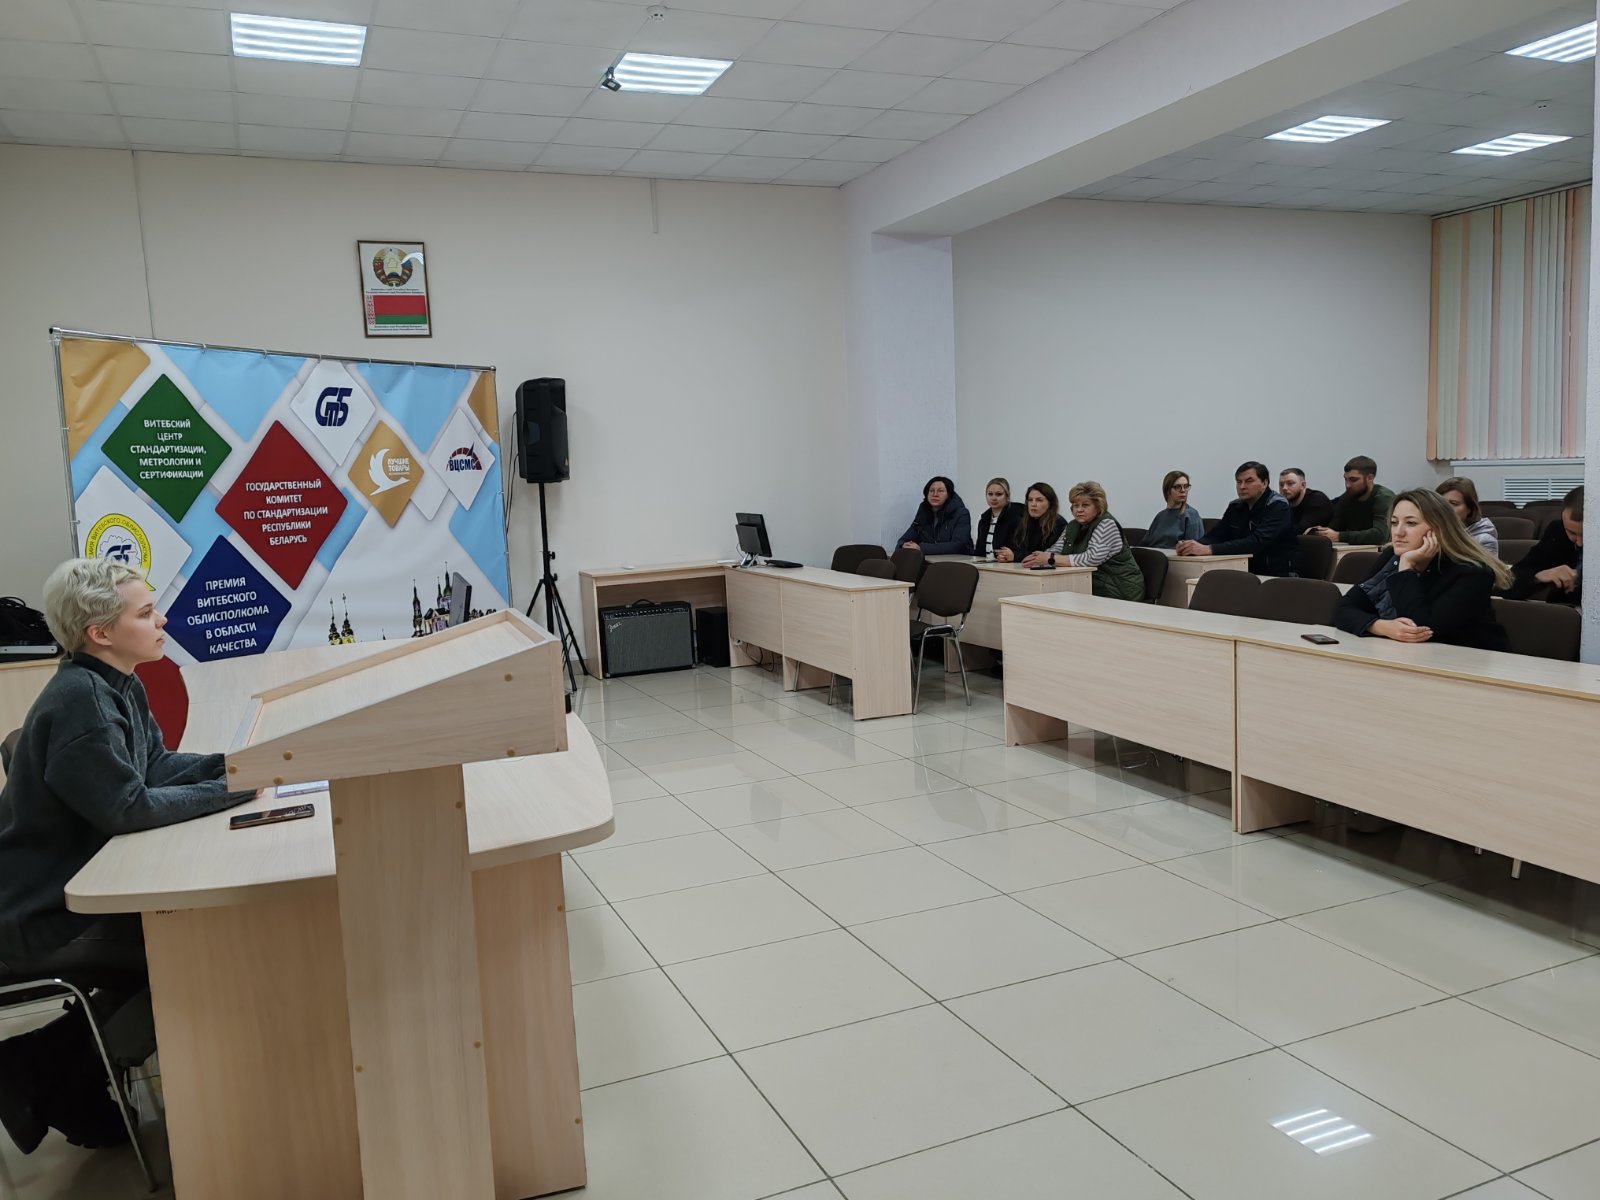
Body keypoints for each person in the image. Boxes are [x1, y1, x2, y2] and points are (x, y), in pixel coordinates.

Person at [0, 559, 254, 1152]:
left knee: (191, 946)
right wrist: (235, 789)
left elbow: (154, 767)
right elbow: (129, 807)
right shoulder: (82, 702)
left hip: (73, 895)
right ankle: (50, 1073)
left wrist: (237, 765)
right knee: (197, 957)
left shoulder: (115, 681)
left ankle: (45, 1070)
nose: (161, 620)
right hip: (41, 917)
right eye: (146, 613)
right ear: (101, 633)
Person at [1334, 489, 1509, 650]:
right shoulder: (1391, 556)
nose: (1398, 532)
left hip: (1465, 661)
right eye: (1394, 523)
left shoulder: (1473, 572)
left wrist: (1406, 569)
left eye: (1411, 523)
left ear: (1439, 528)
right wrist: (1382, 627)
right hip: (1409, 655)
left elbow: (1421, 629)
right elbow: (1343, 609)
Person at [1176, 461, 1296, 575]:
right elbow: (1216, 535)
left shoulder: (1278, 506)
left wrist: (1209, 549)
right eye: (1239, 482)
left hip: (1277, 573)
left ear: (1264, 483)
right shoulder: (1235, 506)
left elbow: (1256, 542)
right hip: (1244, 569)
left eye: (1249, 481)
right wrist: (1191, 546)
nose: (1242, 486)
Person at [1046, 481, 1145, 600]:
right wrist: (1038, 559)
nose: (1079, 510)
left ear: (1098, 506)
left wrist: (1051, 559)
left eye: (1085, 505)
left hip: (1121, 589)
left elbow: (1092, 558)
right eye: (1076, 505)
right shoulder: (1073, 526)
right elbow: (1057, 549)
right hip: (1092, 586)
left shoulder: (1106, 524)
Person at [1508, 485, 1583, 605]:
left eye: (1585, 535)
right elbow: (1509, 584)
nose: (1579, 542)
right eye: (1571, 532)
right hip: (1563, 612)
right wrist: (1538, 576)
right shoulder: (1557, 532)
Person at [1308, 455, 1394, 545]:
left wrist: (1339, 536)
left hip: (1383, 550)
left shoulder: (1384, 498)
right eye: (1346, 479)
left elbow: (1380, 535)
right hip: (1356, 549)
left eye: (1353, 480)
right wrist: (1321, 532)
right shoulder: (1347, 497)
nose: (1347, 485)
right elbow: (1336, 527)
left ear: (1370, 478)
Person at [898, 475, 973, 556]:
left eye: (940, 491)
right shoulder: (923, 513)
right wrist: (904, 545)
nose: (935, 494)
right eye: (931, 491)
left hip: (960, 560)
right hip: (932, 559)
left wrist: (921, 548)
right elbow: (905, 538)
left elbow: (958, 545)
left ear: (948, 495)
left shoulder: (961, 513)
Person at [997, 483, 1066, 564]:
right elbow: (1016, 548)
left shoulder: (1058, 523)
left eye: (1039, 500)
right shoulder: (1022, 521)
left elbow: (1043, 555)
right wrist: (1005, 556)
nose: (1033, 504)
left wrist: (1015, 556)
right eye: (1030, 500)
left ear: (1050, 503)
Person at [1436, 476, 1498, 556]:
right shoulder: (1431, 531)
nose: (1445, 508)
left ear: (1470, 508)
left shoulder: (1485, 540)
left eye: (1453, 503)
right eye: (1441, 502)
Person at [1140, 470, 1202, 548]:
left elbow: (1192, 548)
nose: (1183, 490)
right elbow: (1145, 543)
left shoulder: (1191, 515)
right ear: (1167, 491)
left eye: (1186, 486)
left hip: (1174, 555)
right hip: (1154, 554)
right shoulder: (1160, 516)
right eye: (1178, 487)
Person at [973, 477, 1023, 559]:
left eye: (999, 494)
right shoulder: (984, 520)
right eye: (990, 494)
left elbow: (1018, 550)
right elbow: (979, 551)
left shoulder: (1016, 519)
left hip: (1008, 564)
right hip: (985, 563)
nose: (993, 498)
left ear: (1007, 496)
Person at [1279, 467, 1334, 534]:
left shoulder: (1317, 500)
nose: (1284, 488)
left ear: (1303, 485)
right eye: (1281, 485)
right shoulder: (1281, 504)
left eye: (1290, 483)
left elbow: (1298, 530)